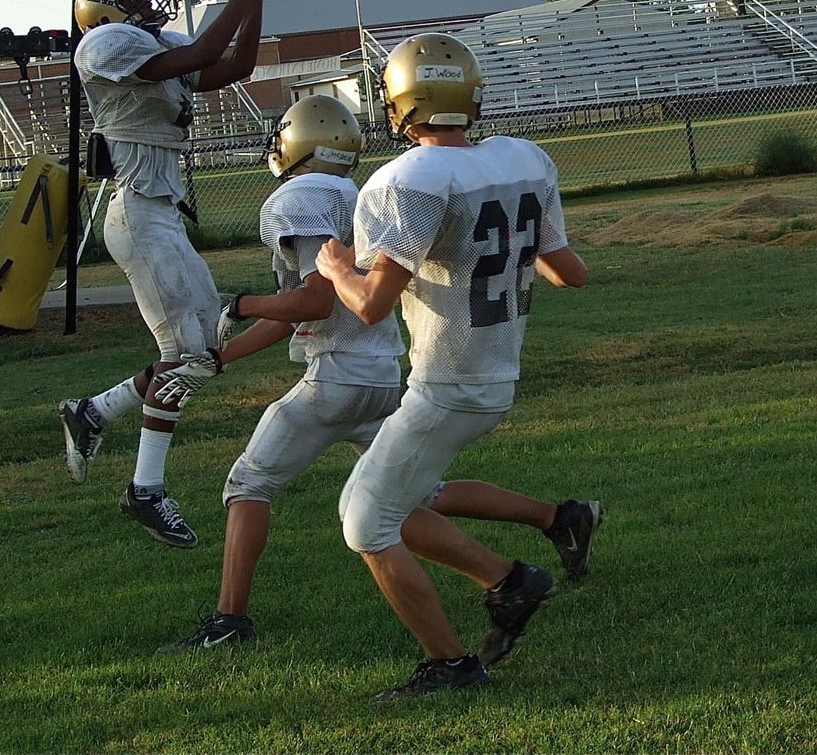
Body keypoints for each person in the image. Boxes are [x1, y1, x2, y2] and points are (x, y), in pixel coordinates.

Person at [156, 94, 600, 656]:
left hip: (399, 377)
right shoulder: (500, 164)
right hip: (429, 373)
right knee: (408, 496)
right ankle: (553, 523)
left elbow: (340, 302)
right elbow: (569, 273)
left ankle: (467, 631)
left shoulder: (369, 187)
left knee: (332, 510)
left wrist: (308, 281)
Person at [315, 32, 598, 703]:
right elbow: (571, 274)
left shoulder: (405, 181)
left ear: (400, 102)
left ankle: (450, 662)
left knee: (364, 522)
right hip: (493, 374)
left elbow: (372, 304)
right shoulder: (522, 160)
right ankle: (508, 581)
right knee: (387, 502)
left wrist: (332, 268)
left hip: (445, 383)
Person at [57, 0, 283, 550]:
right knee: (191, 357)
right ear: (103, 13)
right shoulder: (101, 47)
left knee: (200, 345)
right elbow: (205, 54)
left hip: (160, 216)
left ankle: (94, 411)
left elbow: (236, 61)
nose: (143, 5)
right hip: (139, 214)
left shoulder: (153, 46)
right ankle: (145, 489)